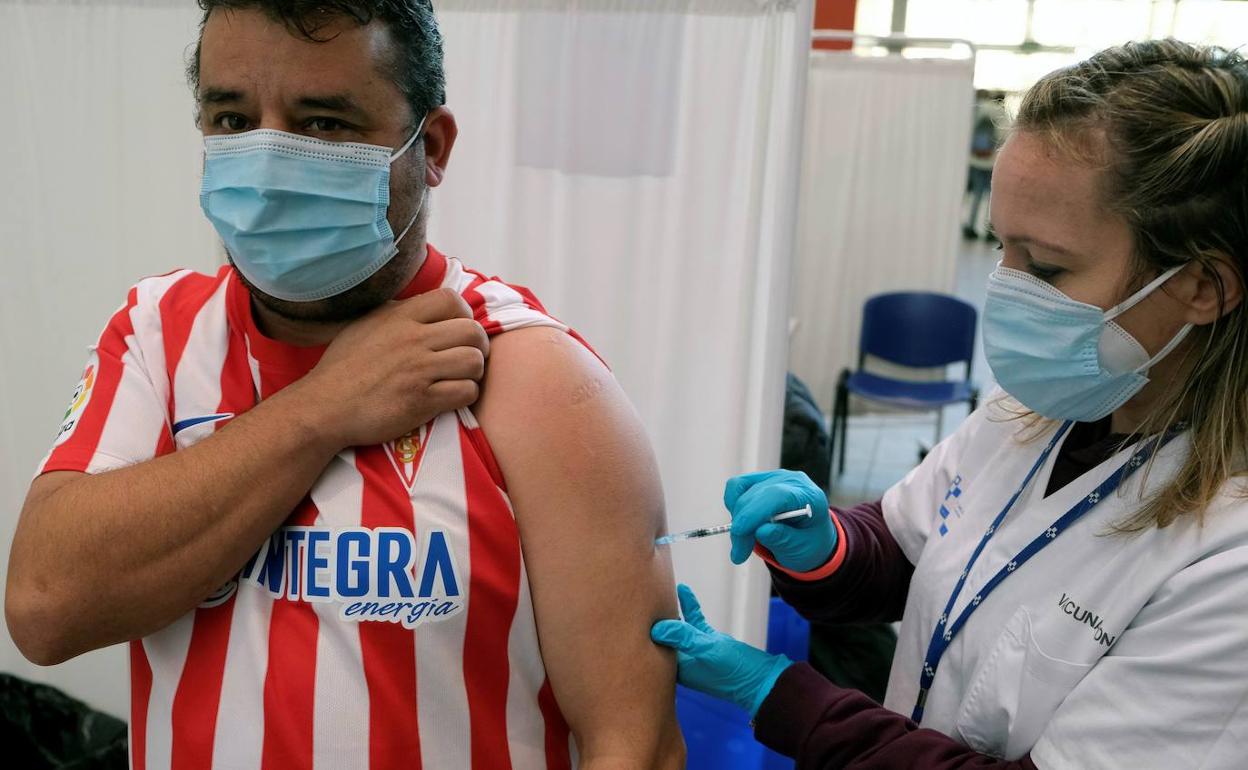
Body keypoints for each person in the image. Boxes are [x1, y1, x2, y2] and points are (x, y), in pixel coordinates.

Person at [5, 2, 684, 768]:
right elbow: (44, 608)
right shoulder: (161, 334)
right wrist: (321, 409)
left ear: (431, 147)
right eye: (232, 121)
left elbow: (636, 745)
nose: (266, 166)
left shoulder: (529, 373)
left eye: (323, 123)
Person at [653, 39, 1248, 768]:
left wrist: (779, 696)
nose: (1006, 287)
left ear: (1202, 288)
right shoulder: (1037, 409)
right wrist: (830, 547)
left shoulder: (1229, 560)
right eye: (1001, 249)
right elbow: (912, 545)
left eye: (1045, 267)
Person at [963, 90, 1008, 240]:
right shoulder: (1001, 114)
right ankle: (988, 229)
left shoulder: (979, 109)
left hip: (975, 160)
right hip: (991, 162)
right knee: (991, 197)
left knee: (975, 194)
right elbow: (1004, 137)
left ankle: (970, 226)